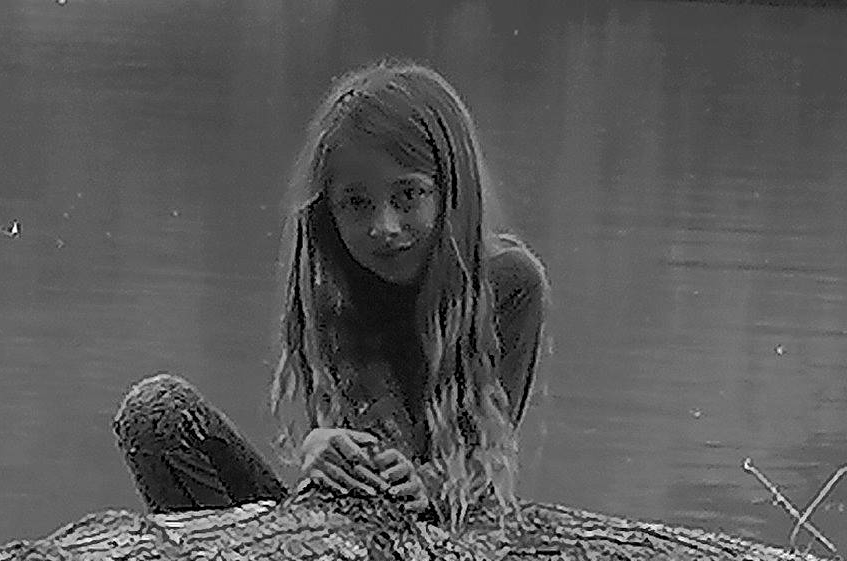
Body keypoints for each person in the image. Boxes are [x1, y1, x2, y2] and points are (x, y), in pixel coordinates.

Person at [115, 59, 547, 528]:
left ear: (452, 193)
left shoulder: (507, 284)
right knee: (156, 415)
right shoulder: (332, 282)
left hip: (432, 557)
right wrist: (320, 449)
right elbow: (357, 461)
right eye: (357, 204)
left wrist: (429, 485)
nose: (384, 227)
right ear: (329, 211)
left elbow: (483, 464)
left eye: (409, 195)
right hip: (333, 543)